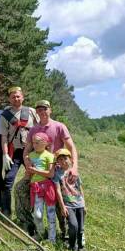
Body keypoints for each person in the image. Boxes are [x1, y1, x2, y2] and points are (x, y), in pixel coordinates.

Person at [15, 99, 78, 235]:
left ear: (50, 110)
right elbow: (26, 150)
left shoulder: (59, 126)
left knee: (61, 199)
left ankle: (65, 230)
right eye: (39, 109)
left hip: (56, 171)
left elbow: (71, 147)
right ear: (36, 112)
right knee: (20, 188)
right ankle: (28, 223)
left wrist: (74, 168)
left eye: (45, 108)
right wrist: (28, 164)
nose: (42, 111)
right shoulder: (33, 129)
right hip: (36, 171)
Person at [0, 86, 38, 216]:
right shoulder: (5, 115)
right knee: (7, 181)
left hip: (31, 151)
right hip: (14, 152)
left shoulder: (31, 112)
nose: (16, 99)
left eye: (18, 96)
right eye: (13, 97)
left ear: (22, 97)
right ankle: (6, 211)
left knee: (35, 180)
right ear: (9, 99)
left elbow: (40, 130)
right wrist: (5, 154)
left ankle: (32, 211)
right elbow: (4, 136)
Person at [54, 148, 86, 251]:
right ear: (57, 162)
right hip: (68, 205)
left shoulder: (74, 172)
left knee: (81, 228)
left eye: (65, 158)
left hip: (79, 204)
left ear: (70, 159)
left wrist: (84, 204)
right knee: (73, 225)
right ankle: (72, 246)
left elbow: (80, 188)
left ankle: (80, 247)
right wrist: (62, 206)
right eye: (60, 159)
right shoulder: (57, 174)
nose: (63, 161)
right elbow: (58, 191)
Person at [28, 132, 57, 243]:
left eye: (37, 142)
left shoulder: (50, 156)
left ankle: (52, 238)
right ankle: (40, 233)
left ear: (45, 143)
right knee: (37, 215)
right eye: (33, 142)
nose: (34, 145)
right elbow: (29, 171)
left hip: (48, 187)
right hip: (36, 188)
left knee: (51, 213)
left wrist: (34, 170)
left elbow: (50, 174)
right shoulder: (31, 155)